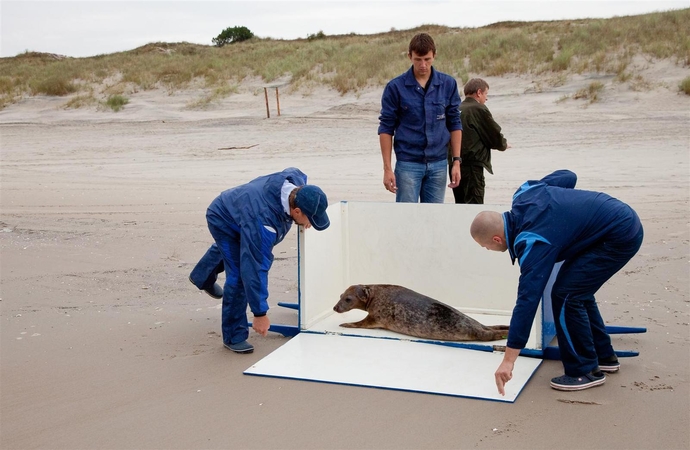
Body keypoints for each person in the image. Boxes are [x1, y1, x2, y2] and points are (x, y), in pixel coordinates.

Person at [470, 170, 643, 393]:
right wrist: (564, 214)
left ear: (497, 239)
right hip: (617, 217)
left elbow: (527, 300)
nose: (488, 250)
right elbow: (568, 176)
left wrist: (509, 360)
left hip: (619, 236)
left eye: (486, 247)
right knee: (576, 291)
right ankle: (604, 357)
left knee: (566, 296)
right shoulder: (525, 193)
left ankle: (584, 371)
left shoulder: (533, 242)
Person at [188, 168, 330, 354]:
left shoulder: (296, 180)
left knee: (241, 248)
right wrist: (260, 314)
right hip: (222, 217)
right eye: (309, 218)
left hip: (242, 208)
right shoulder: (264, 224)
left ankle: (201, 275)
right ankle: (233, 336)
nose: (310, 222)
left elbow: (297, 173)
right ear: (296, 210)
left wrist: (310, 212)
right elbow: (254, 269)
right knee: (238, 274)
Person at [378, 32, 462, 203]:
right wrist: (387, 169)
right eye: (418, 59)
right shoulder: (395, 87)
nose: (423, 65)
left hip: (439, 164)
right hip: (407, 164)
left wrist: (456, 162)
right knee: (406, 219)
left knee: (433, 219)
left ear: (434, 56)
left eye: (427, 59)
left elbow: (455, 123)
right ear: (410, 56)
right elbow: (386, 128)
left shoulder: (448, 84)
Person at [449, 78, 510, 204]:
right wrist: (503, 145)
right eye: (486, 94)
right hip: (473, 166)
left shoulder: (457, 109)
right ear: (479, 92)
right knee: (474, 206)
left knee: (460, 203)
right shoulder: (478, 109)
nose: (486, 98)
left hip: (455, 165)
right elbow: (492, 133)